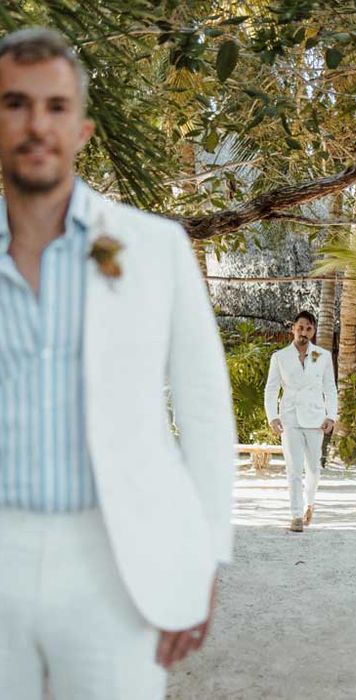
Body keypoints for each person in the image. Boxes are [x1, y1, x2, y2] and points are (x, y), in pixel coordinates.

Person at [0, 28, 236, 699]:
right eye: (15, 104)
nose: (36, 124)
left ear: (83, 129)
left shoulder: (155, 248)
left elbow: (205, 409)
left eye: (55, 107)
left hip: (114, 558)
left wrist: (206, 557)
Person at [264, 310, 338, 532]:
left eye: (308, 328)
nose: (303, 332)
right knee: (294, 469)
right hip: (290, 419)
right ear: (293, 328)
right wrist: (272, 416)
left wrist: (331, 416)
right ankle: (296, 515)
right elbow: (271, 388)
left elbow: (330, 388)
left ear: (313, 331)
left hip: (316, 419)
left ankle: (310, 503)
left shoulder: (323, 356)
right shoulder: (279, 357)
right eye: (300, 327)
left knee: (313, 469)